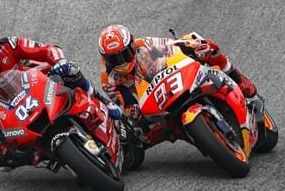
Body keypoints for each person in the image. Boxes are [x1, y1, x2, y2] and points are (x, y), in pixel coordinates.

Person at [0, 23, 120, 170]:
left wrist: (60, 61)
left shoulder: (9, 45)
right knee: (0, 158)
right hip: (10, 111)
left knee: (70, 71)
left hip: (34, 83)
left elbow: (46, 50)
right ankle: (47, 157)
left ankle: (101, 99)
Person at [97, 24, 260, 146]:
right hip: (151, 99)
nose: (121, 62)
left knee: (207, 46)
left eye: (124, 55)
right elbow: (125, 102)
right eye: (113, 59)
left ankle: (238, 79)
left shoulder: (144, 45)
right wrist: (134, 112)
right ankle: (193, 134)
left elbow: (172, 47)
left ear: (132, 46)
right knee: (143, 135)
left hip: (170, 75)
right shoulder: (108, 79)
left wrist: (195, 48)